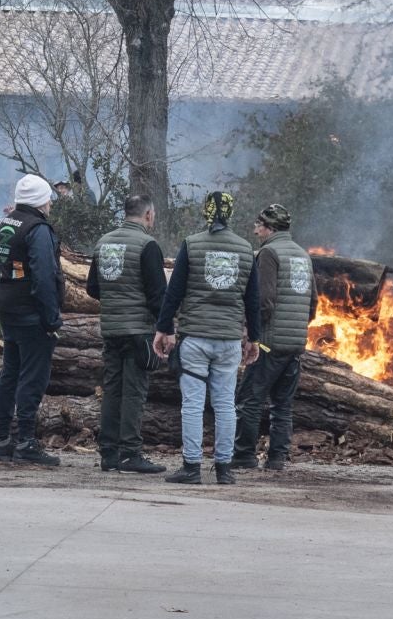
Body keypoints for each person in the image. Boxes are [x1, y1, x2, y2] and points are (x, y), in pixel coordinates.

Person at [152, 191, 259, 485]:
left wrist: (165, 329)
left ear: (206, 213)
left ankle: (191, 468)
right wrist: (254, 339)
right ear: (231, 213)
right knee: (225, 405)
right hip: (228, 341)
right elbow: (253, 300)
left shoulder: (192, 244)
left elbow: (173, 292)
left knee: (193, 405)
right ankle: (224, 469)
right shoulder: (245, 249)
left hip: (195, 339)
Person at [86, 192, 169, 474]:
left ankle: (108, 453)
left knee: (112, 390)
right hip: (138, 332)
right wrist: (167, 328)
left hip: (111, 329)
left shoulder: (104, 242)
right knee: (134, 392)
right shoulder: (148, 245)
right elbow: (158, 295)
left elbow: (92, 289)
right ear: (148, 215)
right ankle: (130, 453)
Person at [0, 174, 65, 467]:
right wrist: (50, 318)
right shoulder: (38, 230)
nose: (50, 204)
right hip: (31, 313)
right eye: (48, 198)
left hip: (8, 307)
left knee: (10, 373)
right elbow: (44, 276)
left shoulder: (7, 224)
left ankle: (2, 441)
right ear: (40, 200)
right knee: (32, 376)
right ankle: (26, 441)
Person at [233, 203, 315, 472]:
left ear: (269, 228)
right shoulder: (303, 255)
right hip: (294, 344)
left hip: (269, 341)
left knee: (250, 399)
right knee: (283, 404)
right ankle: (277, 458)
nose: (255, 230)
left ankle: (244, 455)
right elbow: (313, 302)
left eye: (258, 225)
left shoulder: (268, 253)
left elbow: (264, 301)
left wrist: (251, 333)